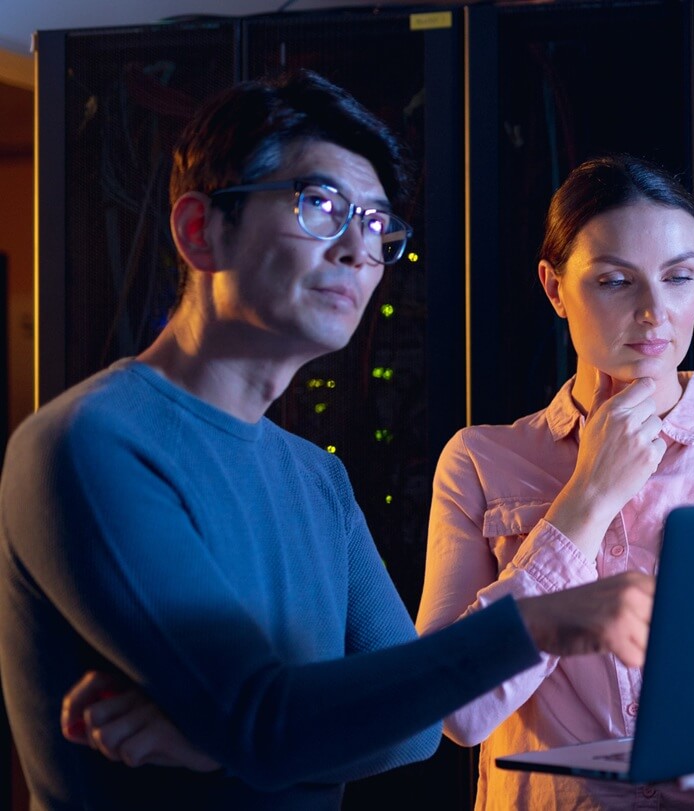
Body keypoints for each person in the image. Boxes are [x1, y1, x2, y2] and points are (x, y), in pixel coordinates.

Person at [0, 70, 653, 810]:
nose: (358, 249)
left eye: (377, 225)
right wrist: (538, 620)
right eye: (319, 205)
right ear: (199, 230)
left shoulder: (317, 478)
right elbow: (272, 723)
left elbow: (412, 729)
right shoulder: (92, 445)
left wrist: (219, 740)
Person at [414, 155, 694, 811]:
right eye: (614, 281)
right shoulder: (481, 459)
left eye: (678, 277)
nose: (654, 311)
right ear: (554, 289)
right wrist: (588, 497)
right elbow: (454, 709)